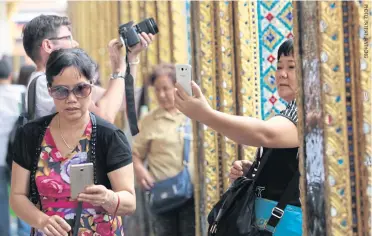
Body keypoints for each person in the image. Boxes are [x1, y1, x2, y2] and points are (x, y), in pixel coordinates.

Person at [174, 39, 302, 235]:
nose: (282, 74)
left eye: (291, 66)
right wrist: (255, 171)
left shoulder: (305, 114)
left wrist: (205, 115)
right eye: (279, 66)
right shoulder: (290, 111)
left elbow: (265, 134)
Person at [10, 48, 135, 236]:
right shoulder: (31, 135)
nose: (71, 99)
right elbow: (17, 196)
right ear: (50, 90)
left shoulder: (109, 136)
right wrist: (42, 221)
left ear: (91, 87)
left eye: (80, 89)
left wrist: (108, 198)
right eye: (61, 91)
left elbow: (129, 201)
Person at [22, 14, 154, 122]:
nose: (75, 44)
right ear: (48, 46)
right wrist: (119, 70)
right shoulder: (43, 82)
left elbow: (122, 101)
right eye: (68, 38)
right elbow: (105, 118)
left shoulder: (59, 80)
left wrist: (130, 59)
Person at [132, 63, 196, 236]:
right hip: (163, 194)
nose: (161, 94)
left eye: (166, 89)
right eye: (157, 90)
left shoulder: (193, 115)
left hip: (191, 194)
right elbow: (135, 154)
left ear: (177, 87)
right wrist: (139, 170)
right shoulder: (149, 121)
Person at [0, 58, 26, 236]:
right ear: (11, 75)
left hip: (0, 158)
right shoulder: (21, 92)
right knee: (24, 197)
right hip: (19, 155)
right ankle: (25, 232)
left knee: (2, 202)